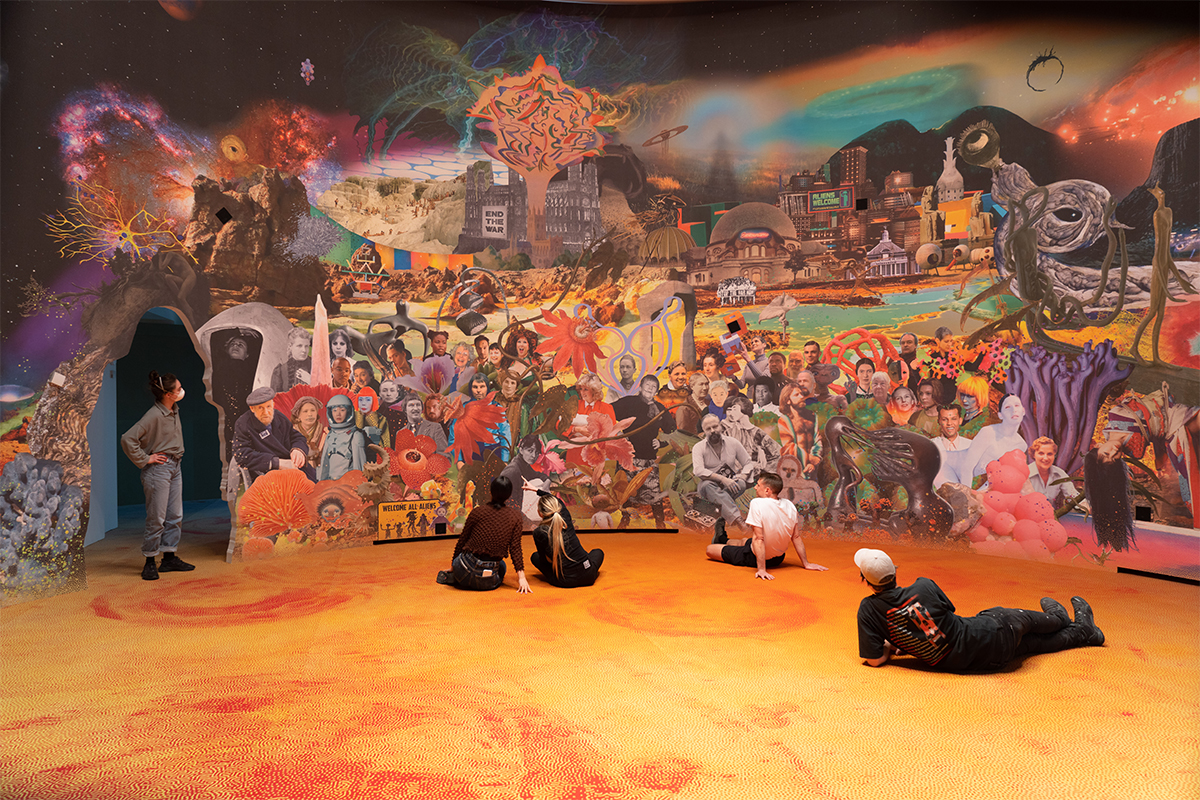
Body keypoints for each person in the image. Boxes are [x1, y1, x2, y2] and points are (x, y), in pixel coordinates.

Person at [853, 548, 1103, 672]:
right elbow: (950, 611)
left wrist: (891, 643)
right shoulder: (924, 586)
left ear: (865, 579)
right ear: (895, 571)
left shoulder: (868, 610)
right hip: (992, 631)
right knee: (1011, 619)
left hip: (985, 662)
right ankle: (1060, 619)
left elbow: (874, 660)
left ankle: (1085, 634)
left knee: (1031, 646)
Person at [121, 370, 194, 581]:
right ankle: (150, 561)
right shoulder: (153, 415)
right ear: (168, 394)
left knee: (175, 516)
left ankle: (169, 557)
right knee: (157, 518)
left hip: (175, 467)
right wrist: (146, 459)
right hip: (158, 470)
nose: (182, 391)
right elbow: (128, 438)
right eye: (178, 389)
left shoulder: (174, 410)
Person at [705, 472, 827, 579]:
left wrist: (761, 569)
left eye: (758, 485)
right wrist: (806, 563)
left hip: (755, 557)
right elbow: (796, 537)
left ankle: (719, 541)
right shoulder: (789, 504)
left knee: (710, 550)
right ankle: (722, 539)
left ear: (767, 490)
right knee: (744, 541)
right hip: (779, 558)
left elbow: (759, 538)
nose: (755, 487)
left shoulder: (756, 503)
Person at [437, 476, 531, 593]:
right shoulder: (515, 516)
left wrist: (453, 567)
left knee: (464, 557)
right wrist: (521, 578)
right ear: (509, 495)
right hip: (489, 581)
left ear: (490, 492)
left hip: (463, 573)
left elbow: (462, 540)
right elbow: (515, 548)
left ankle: (457, 578)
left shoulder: (478, 511)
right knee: (501, 565)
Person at [612, 375, 674, 527]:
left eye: (654, 387)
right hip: (627, 456)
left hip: (648, 458)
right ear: (640, 387)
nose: (650, 388)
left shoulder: (660, 409)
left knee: (653, 492)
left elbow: (672, 430)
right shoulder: (628, 402)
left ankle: (660, 523)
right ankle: (625, 520)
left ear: (656, 391)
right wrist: (615, 432)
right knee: (624, 490)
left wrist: (661, 442)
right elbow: (608, 412)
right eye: (647, 385)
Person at [232, 387, 315, 482]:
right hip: (267, 474)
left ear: (273, 405)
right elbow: (241, 455)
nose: (266, 412)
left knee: (320, 488)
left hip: (294, 466)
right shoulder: (243, 424)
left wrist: (298, 450)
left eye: (268, 407)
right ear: (252, 408)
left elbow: (296, 436)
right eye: (260, 408)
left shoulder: (279, 417)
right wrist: (276, 463)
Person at [531, 491, 604, 588]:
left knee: (535, 557)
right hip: (588, 575)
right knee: (598, 552)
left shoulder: (539, 532)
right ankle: (583, 560)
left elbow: (544, 561)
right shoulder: (566, 518)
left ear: (540, 513)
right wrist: (537, 490)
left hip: (565, 581)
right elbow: (559, 501)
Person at [692, 414, 753, 530]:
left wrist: (743, 476)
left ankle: (719, 507)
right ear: (704, 431)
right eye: (708, 429)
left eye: (715, 426)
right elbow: (698, 470)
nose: (713, 431)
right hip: (708, 485)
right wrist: (723, 479)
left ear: (720, 426)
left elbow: (748, 463)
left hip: (731, 484)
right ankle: (739, 521)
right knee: (707, 486)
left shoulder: (733, 443)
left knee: (741, 484)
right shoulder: (698, 447)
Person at [959, 395, 1028, 484]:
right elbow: (966, 468)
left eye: (1017, 405)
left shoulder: (1021, 445)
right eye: (1007, 407)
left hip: (986, 487)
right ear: (1000, 415)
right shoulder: (988, 432)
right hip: (959, 477)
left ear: (1023, 411)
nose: (1013, 410)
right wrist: (967, 495)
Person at [723, 395, 781, 481]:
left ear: (743, 410)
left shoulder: (757, 433)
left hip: (753, 478)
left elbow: (778, 453)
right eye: (730, 410)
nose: (731, 413)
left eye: (735, 409)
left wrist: (761, 467)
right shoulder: (729, 432)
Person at [1024, 437, 1083, 511]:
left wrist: (1089, 507)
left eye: (1049, 454)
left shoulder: (1059, 474)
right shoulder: (1025, 473)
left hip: (1051, 518)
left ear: (1054, 455)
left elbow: (1073, 496)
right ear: (1033, 455)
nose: (1045, 458)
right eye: (1041, 453)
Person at [318, 393, 367, 482]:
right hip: (330, 484)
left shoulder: (355, 435)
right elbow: (324, 464)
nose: (338, 414)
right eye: (335, 410)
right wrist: (321, 484)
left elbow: (359, 466)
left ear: (349, 412)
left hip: (348, 484)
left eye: (342, 410)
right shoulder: (330, 435)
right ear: (330, 412)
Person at [932, 405, 973, 488]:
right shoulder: (931, 446)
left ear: (960, 421)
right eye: (944, 419)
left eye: (953, 419)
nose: (949, 423)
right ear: (939, 421)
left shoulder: (970, 446)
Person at [271, 327, 313, 392]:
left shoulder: (315, 368)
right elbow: (276, 400)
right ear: (290, 346)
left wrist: (311, 381)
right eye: (299, 346)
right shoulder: (281, 371)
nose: (304, 350)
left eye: (306, 346)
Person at [289, 396, 327, 469]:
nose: (310, 414)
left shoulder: (324, 432)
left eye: (313, 410)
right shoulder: (291, 433)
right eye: (305, 411)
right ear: (298, 415)